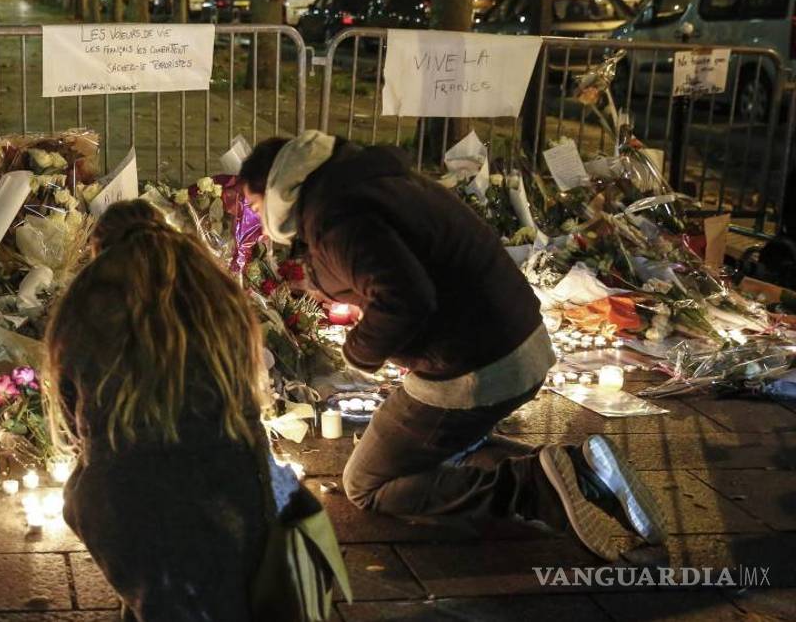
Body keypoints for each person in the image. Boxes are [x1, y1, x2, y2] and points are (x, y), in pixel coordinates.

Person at [237, 130, 668, 561]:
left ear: (277, 187)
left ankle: (537, 487)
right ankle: (588, 470)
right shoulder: (369, 179)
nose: (256, 215)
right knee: (445, 449)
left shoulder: (336, 217)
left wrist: (358, 352)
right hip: (520, 340)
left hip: (473, 367)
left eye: (254, 204)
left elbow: (404, 298)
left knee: (367, 483)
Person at [45, 200, 298, 621]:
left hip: (124, 499)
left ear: (99, 248)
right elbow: (248, 401)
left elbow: (75, 422)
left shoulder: (90, 295)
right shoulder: (213, 286)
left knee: (155, 582)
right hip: (234, 488)